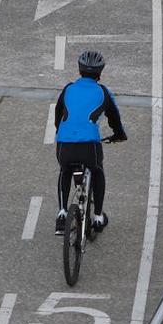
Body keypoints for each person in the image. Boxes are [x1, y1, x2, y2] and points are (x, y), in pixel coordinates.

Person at [53, 50, 128, 235]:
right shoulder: (102, 92)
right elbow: (115, 118)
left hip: (65, 144)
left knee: (65, 170)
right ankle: (97, 217)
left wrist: (61, 132)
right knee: (97, 170)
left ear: (79, 70)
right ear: (100, 72)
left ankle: (62, 212)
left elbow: (57, 114)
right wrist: (119, 135)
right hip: (89, 147)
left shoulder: (68, 88)